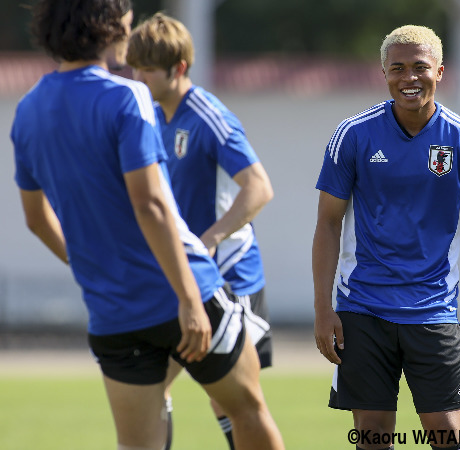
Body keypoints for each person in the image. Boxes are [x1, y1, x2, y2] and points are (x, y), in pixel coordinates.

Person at [11, 1, 284, 449]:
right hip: (180, 290)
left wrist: (93, 270)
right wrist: (189, 299)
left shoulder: (27, 111)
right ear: (105, 27)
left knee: (138, 444)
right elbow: (151, 206)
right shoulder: (128, 97)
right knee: (247, 410)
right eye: (125, 21)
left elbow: (37, 220)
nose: (129, 29)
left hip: (112, 309)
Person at [313, 25, 460, 450]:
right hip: (362, 308)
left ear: (440, 72)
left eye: (420, 67)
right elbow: (327, 224)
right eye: (397, 68)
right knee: (372, 437)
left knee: (448, 435)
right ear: (384, 73)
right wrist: (323, 309)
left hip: (434, 309)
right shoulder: (353, 135)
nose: (409, 77)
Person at [126, 13, 275, 450]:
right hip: (186, 277)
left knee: (232, 398)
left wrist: (209, 240)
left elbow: (259, 188)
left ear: (179, 68)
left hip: (230, 276)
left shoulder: (208, 116)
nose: (138, 78)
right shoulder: (152, 117)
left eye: (147, 70)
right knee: (155, 387)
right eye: (135, 68)